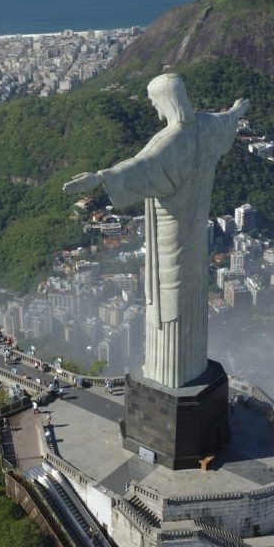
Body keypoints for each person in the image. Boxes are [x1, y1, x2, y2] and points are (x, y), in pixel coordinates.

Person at [63, 74, 248, 389]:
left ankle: (170, 374)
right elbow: (227, 120)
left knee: (168, 298)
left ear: (166, 100)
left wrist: (98, 178)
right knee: (191, 294)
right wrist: (237, 109)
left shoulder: (171, 140)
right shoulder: (207, 125)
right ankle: (190, 367)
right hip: (196, 236)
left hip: (171, 236)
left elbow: (140, 166)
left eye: (153, 99)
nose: (151, 105)